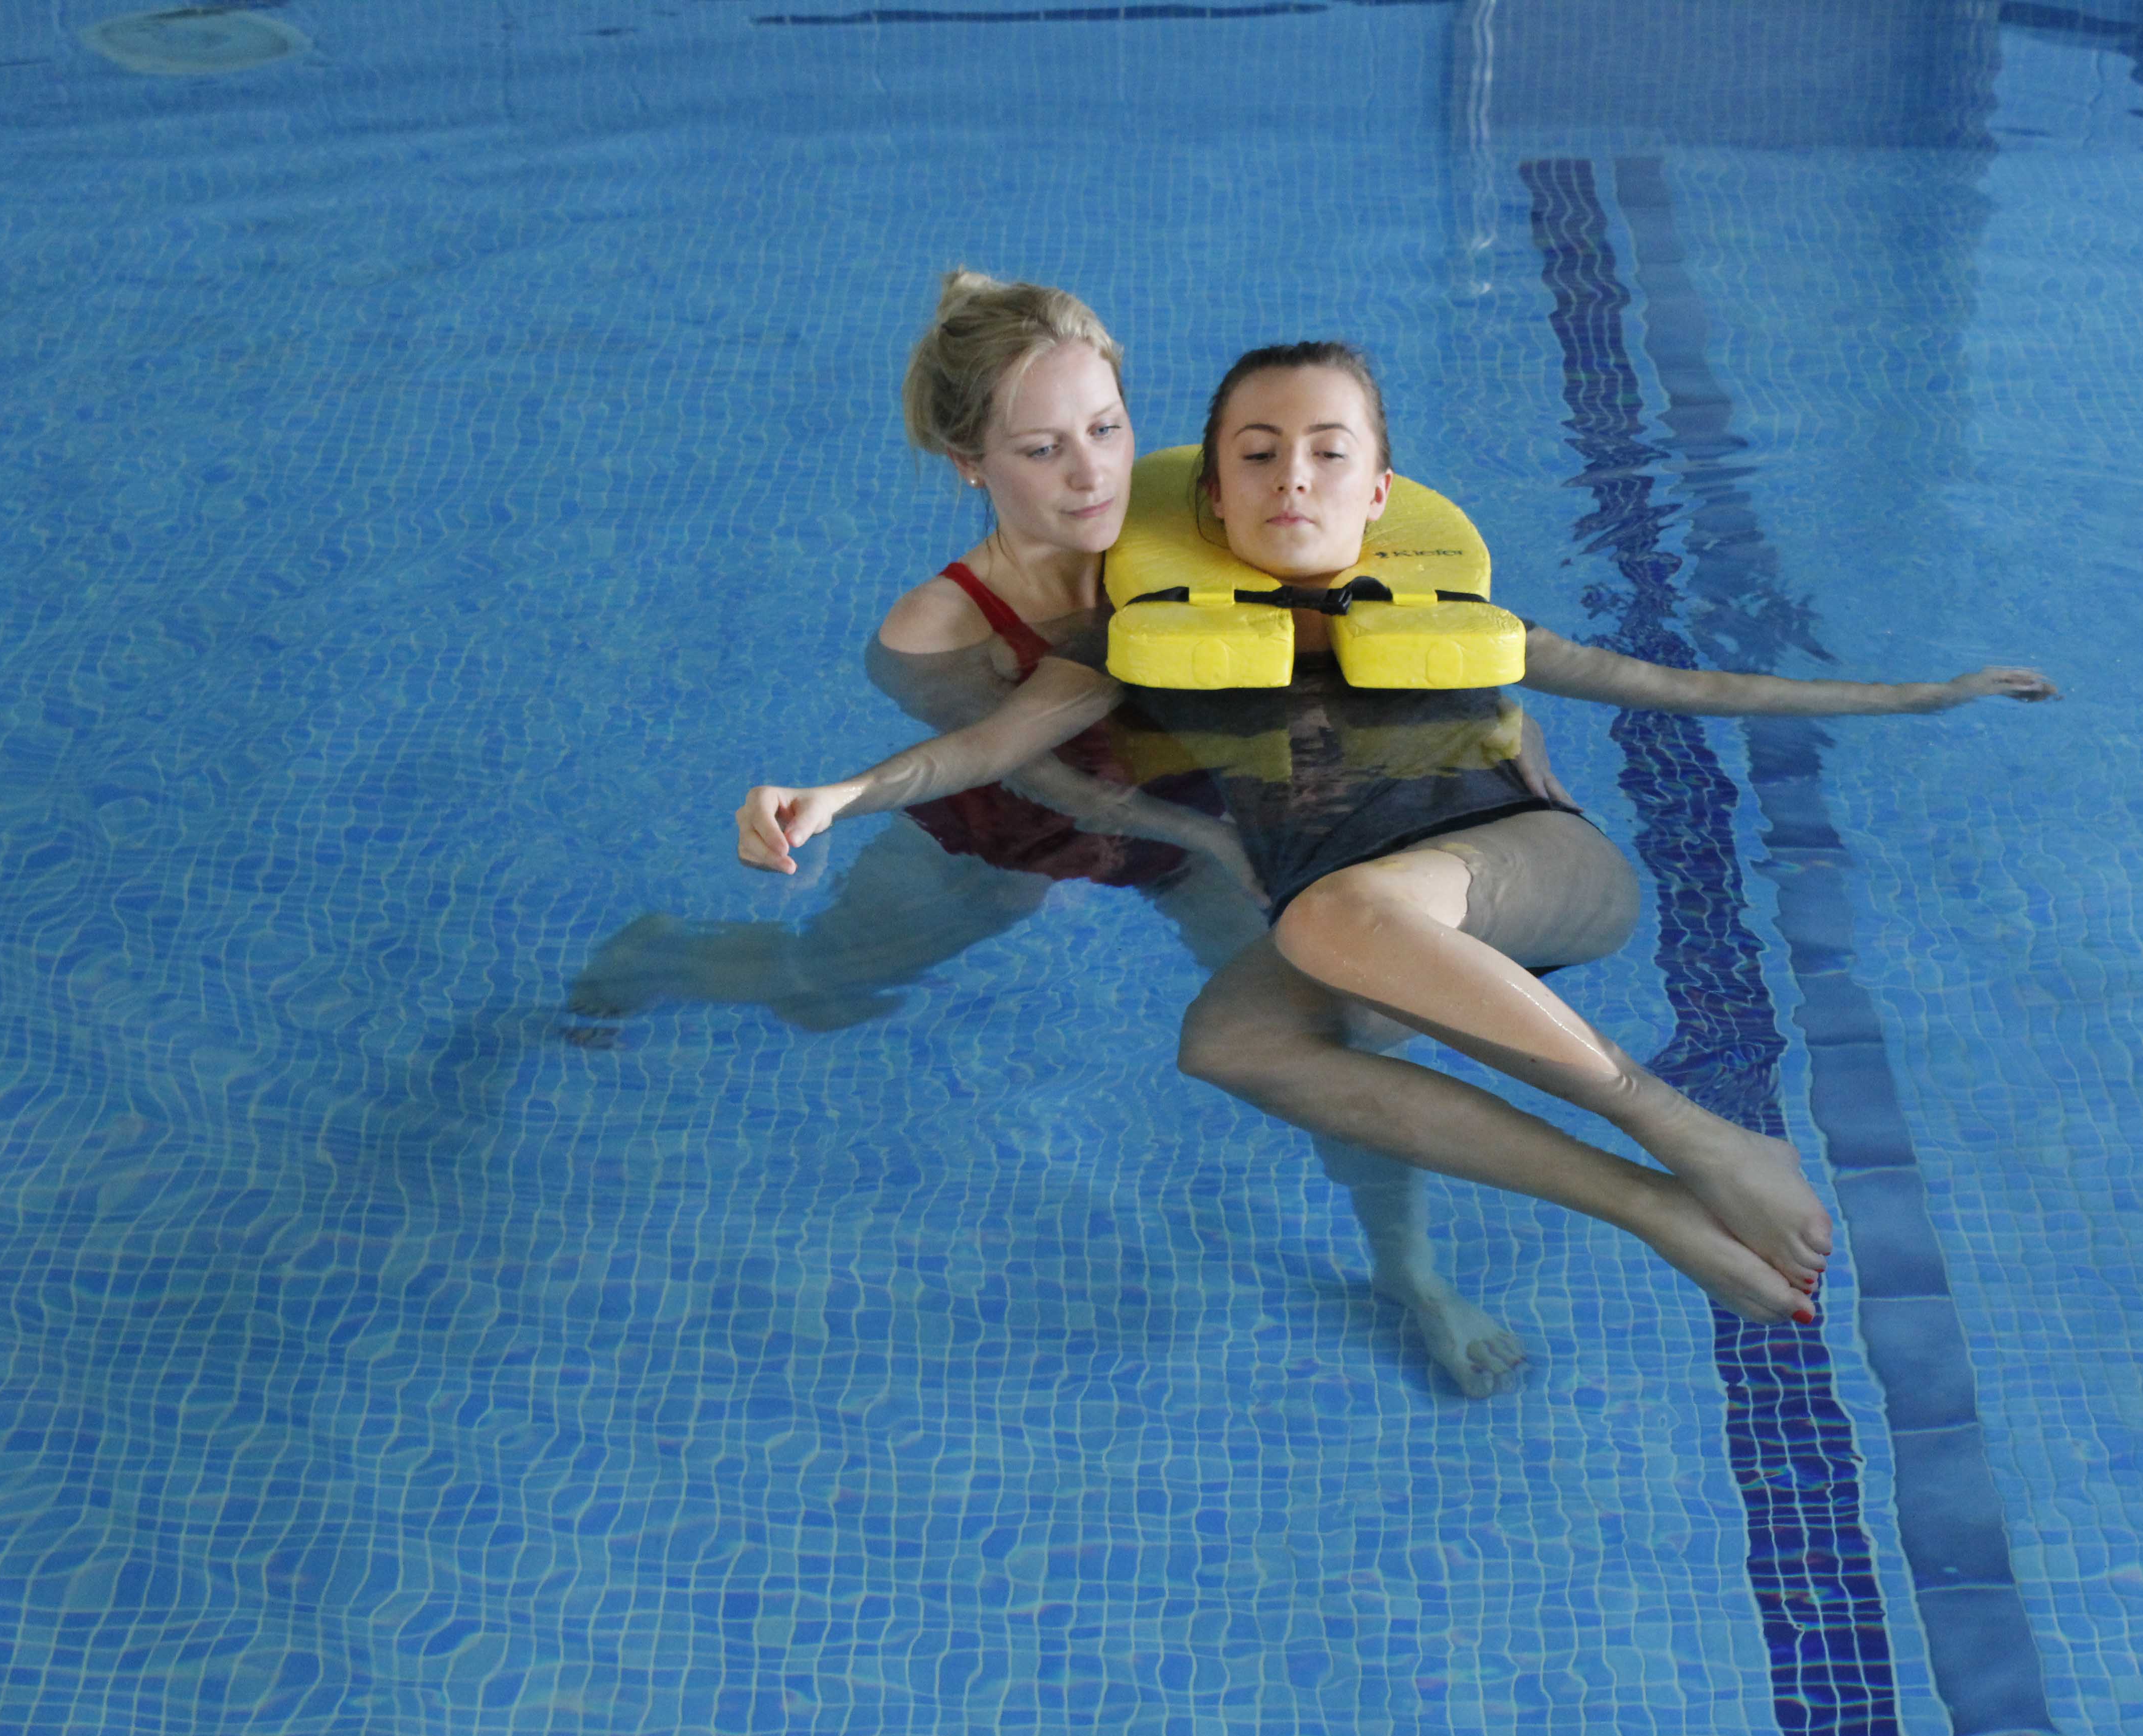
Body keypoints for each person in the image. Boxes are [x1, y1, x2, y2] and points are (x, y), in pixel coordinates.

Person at [736, 342, 2056, 1328]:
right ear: (1211, 503)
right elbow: (979, 749)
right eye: (1255, 453)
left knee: (1328, 915)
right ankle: (1651, 1204)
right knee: (1233, 1038)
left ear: (1379, 494)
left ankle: (1698, 1140)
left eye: (1328, 454)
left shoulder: (1469, 618)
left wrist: (1929, 692)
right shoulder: (1143, 646)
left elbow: (1699, 691)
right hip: (1371, 926)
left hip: (1527, 869)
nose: (1290, 476)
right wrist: (839, 798)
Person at [577, 280, 1530, 1395]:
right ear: (969, 463)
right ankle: (658, 954)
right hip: (1017, 837)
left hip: (1203, 826)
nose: (1093, 477)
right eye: (1042, 450)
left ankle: (1411, 1274)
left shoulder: (1207, 518)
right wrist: (834, 799)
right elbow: (1057, 788)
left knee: (1352, 1043)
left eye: (1109, 430)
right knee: (820, 991)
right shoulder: (936, 630)